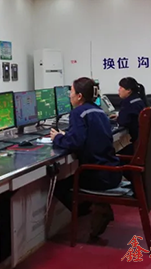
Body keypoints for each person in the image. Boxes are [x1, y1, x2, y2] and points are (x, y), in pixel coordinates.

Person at [50, 77, 121, 238]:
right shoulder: (99, 112)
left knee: (59, 187)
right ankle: (98, 206)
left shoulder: (77, 113)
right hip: (112, 171)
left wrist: (58, 138)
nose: (69, 95)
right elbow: (87, 136)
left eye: (71, 92)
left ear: (79, 96)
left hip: (97, 175)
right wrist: (68, 135)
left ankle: (93, 209)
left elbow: (75, 143)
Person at [112, 77, 151, 155]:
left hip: (142, 148)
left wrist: (117, 119)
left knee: (111, 150)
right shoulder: (139, 100)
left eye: (121, 87)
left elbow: (123, 122)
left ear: (129, 90)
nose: (118, 90)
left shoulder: (128, 103)